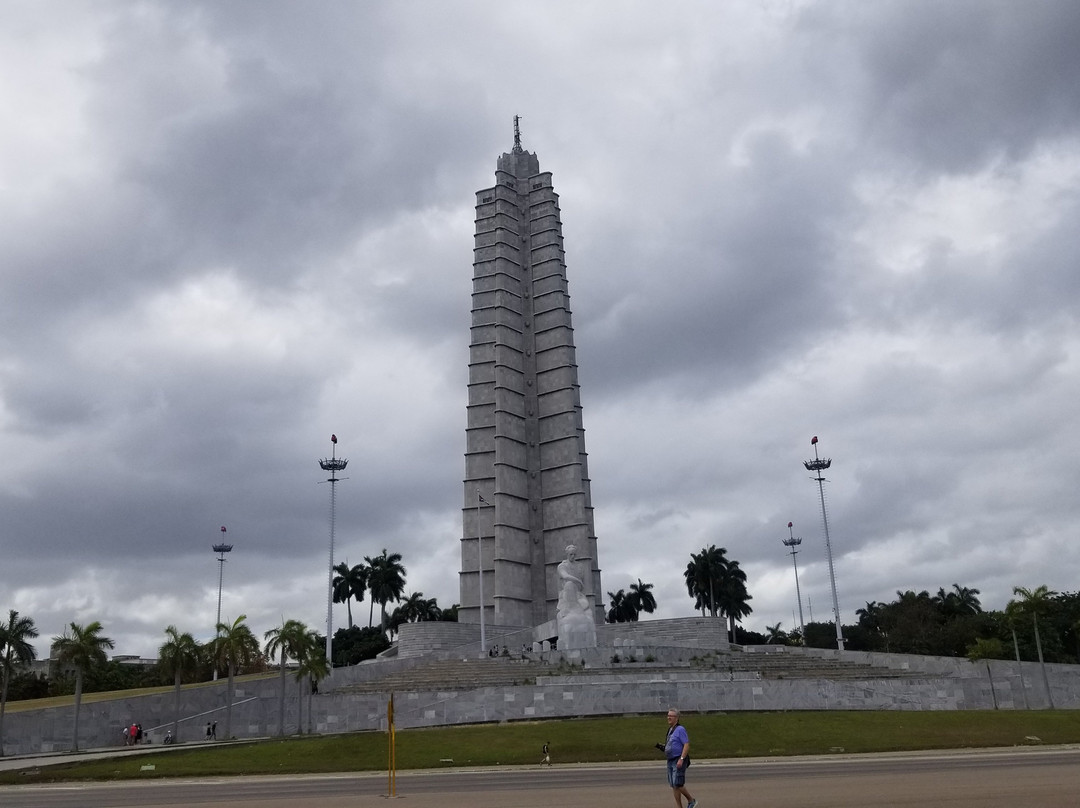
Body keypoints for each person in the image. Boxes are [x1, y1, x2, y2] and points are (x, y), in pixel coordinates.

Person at [663, 708, 696, 808]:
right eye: (668, 715)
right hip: (670, 759)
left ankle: (691, 800)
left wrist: (681, 758)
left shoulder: (680, 729)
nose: (668, 717)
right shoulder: (670, 730)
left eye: (671, 716)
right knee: (674, 785)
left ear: (676, 718)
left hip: (678, 759)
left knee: (678, 783)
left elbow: (686, 744)